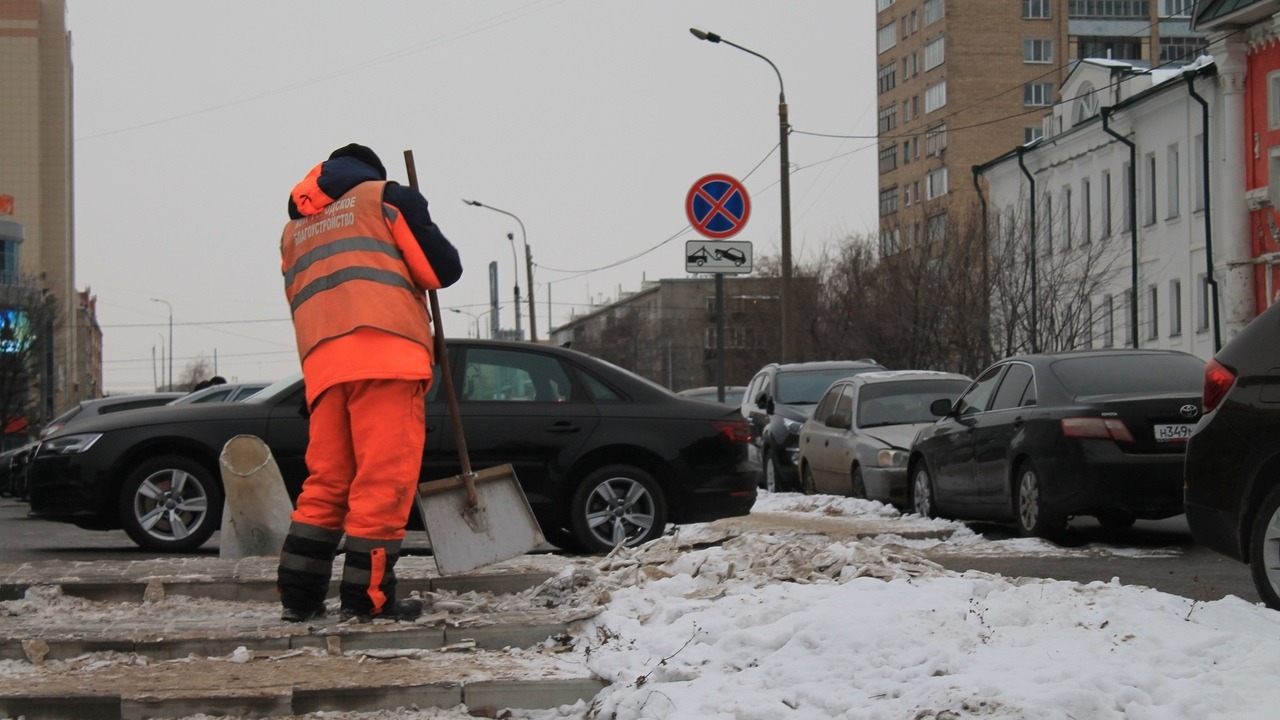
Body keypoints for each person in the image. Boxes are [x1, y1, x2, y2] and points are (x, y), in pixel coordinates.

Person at [276, 143, 462, 623]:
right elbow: (442, 270)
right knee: (383, 481)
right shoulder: (386, 197)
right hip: (387, 356)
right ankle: (368, 599)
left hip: (323, 366)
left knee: (327, 482)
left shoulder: (295, 228)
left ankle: (299, 597)